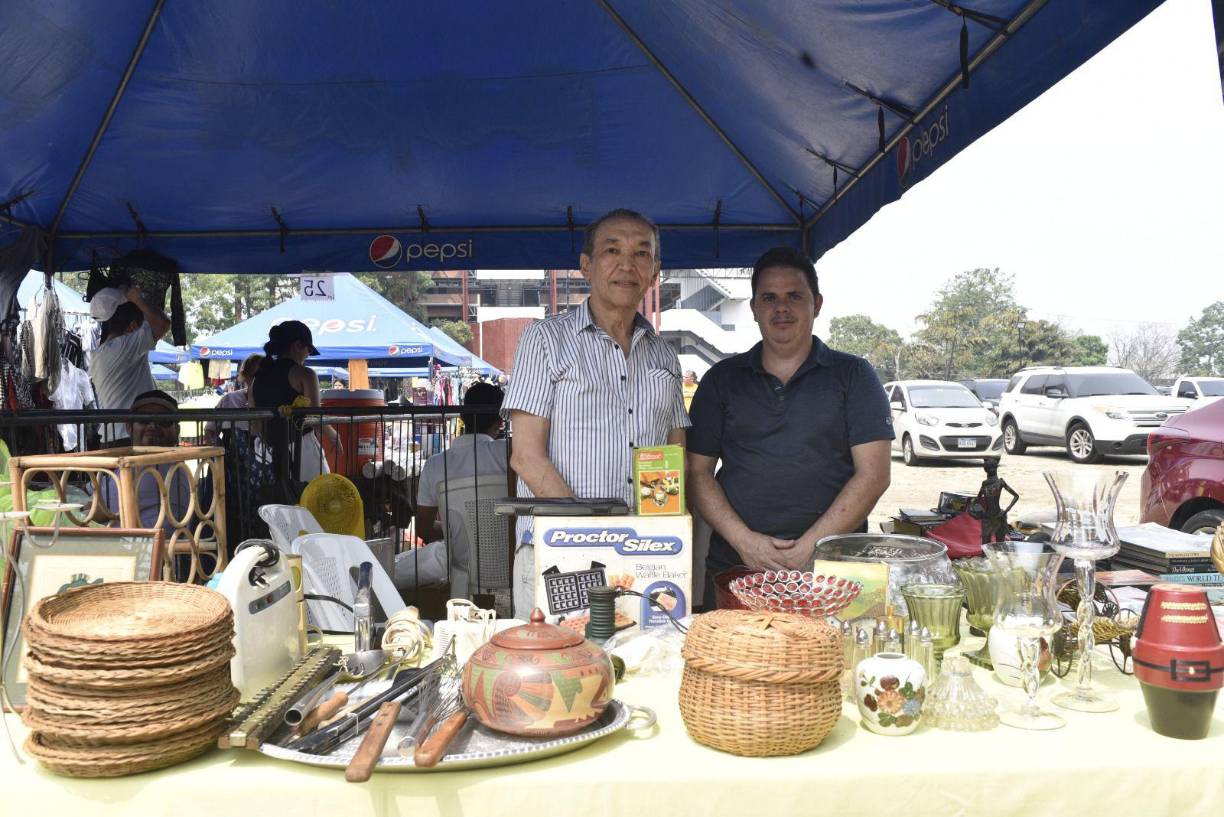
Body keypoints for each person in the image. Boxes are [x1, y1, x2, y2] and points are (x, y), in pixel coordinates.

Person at [503, 208, 689, 615]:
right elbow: (526, 456)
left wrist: (664, 541)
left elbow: (674, 458)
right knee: (555, 671)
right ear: (586, 265)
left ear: (655, 271)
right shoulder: (545, 340)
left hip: (644, 555)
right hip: (559, 552)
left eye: (642, 254)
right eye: (612, 250)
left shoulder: (664, 356)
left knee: (643, 666)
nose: (627, 264)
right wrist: (593, 536)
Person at [687, 247, 893, 605]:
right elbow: (697, 471)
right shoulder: (721, 380)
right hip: (736, 567)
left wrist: (811, 548)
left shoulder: (854, 376)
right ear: (753, 308)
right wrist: (745, 542)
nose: (781, 308)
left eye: (794, 296)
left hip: (835, 572)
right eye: (769, 297)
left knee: (833, 661)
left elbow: (874, 475)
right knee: (731, 661)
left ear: (817, 303)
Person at [400, 383, 510, 594]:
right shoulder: (510, 454)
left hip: (463, 575)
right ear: (500, 422)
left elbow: (424, 529)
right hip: (512, 566)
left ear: (461, 416)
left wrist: (458, 529)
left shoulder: (435, 464)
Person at [249, 320, 339, 482]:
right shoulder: (305, 374)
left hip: (265, 449)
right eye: (309, 349)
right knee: (316, 497)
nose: (308, 355)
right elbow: (314, 418)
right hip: (301, 446)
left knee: (276, 503)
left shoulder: (257, 378)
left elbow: (255, 425)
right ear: (298, 345)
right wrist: (334, 435)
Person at [98, 390, 190, 532]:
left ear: (176, 430)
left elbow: (97, 510)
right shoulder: (140, 464)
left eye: (163, 421)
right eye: (144, 420)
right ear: (129, 427)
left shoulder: (156, 467)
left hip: (141, 549)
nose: (153, 426)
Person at [89, 287, 171, 446]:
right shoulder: (122, 347)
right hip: (128, 439)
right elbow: (162, 324)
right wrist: (137, 299)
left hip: (115, 437)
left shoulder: (102, 352)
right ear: (133, 325)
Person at [204, 353, 263, 445]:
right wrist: (217, 451)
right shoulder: (229, 399)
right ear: (244, 375)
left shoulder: (273, 401)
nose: (258, 381)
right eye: (254, 376)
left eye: (262, 377)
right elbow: (210, 430)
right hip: (231, 457)